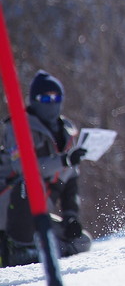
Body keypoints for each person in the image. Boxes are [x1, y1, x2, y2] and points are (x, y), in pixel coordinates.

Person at [0, 70, 88, 266]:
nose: (51, 102)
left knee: (81, 243)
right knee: (26, 183)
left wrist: (70, 218)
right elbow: (23, 167)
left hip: (40, 211)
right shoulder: (18, 126)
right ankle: (18, 247)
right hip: (10, 204)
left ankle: (36, 249)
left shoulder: (65, 131)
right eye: (45, 98)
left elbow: (70, 176)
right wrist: (63, 160)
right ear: (34, 100)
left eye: (56, 97)